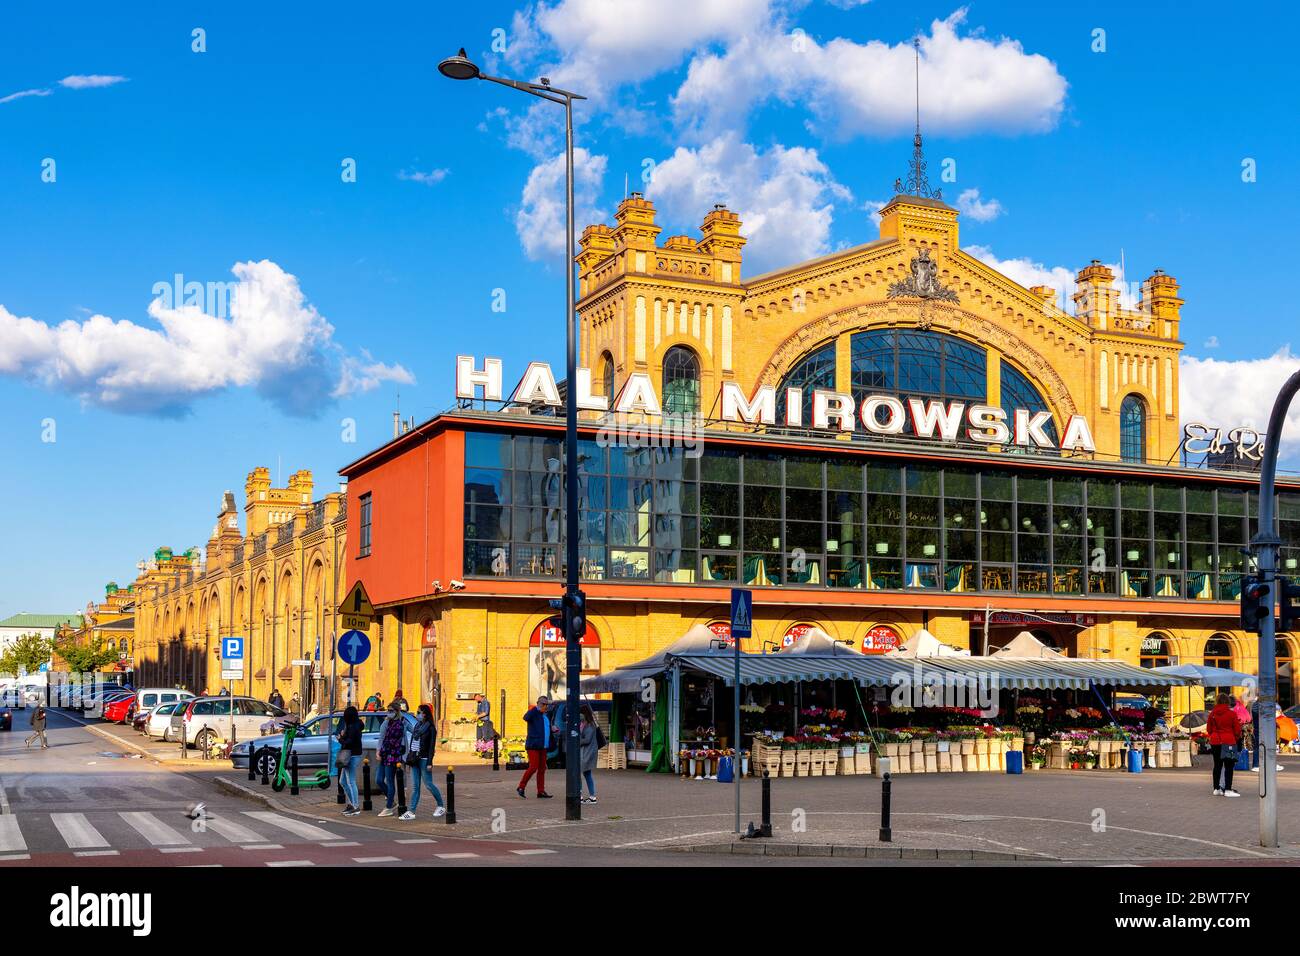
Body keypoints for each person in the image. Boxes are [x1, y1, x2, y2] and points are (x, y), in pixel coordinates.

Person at [402, 703, 447, 820]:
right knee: (415, 787)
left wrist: (430, 762)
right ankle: (411, 811)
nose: (417, 714)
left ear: (425, 714)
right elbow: (414, 739)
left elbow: (431, 747)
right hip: (414, 758)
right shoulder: (417, 725)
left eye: (419, 712)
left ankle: (441, 805)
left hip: (424, 759)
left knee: (428, 784)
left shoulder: (431, 728)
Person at [517, 696, 553, 799]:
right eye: (544, 705)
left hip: (543, 746)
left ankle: (541, 791)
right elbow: (525, 717)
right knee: (533, 767)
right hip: (533, 745)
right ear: (539, 704)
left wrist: (553, 728)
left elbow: (546, 727)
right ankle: (521, 787)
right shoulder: (533, 713)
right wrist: (535, 708)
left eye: (546, 705)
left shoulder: (545, 716)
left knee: (542, 769)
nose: (546, 707)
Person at [1207, 692, 1243, 797]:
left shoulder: (1212, 714)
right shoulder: (1232, 714)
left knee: (1217, 765)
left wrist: (1214, 736)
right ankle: (1227, 789)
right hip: (1229, 742)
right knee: (1229, 766)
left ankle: (1216, 788)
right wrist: (1234, 738)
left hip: (1215, 741)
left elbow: (1209, 729)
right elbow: (1237, 730)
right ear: (1227, 702)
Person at [375, 703, 407, 817]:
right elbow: (382, 737)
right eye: (388, 710)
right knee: (378, 780)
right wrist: (378, 751)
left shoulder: (400, 724)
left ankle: (389, 807)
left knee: (390, 781)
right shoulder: (386, 722)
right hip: (384, 755)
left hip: (392, 756)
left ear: (397, 711)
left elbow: (392, 742)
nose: (389, 713)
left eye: (391, 710)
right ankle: (391, 801)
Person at [336, 706, 364, 816]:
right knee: (342, 781)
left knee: (350, 781)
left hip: (351, 755)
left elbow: (349, 741)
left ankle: (355, 806)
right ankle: (352, 803)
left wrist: (340, 739)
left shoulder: (353, 727)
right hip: (352, 754)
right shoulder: (353, 725)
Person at [579, 704, 604, 804]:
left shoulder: (590, 725)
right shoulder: (584, 723)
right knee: (587, 774)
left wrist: (577, 739)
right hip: (586, 752)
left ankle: (580, 795)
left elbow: (587, 740)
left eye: (580, 713)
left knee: (578, 773)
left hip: (587, 753)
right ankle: (592, 796)